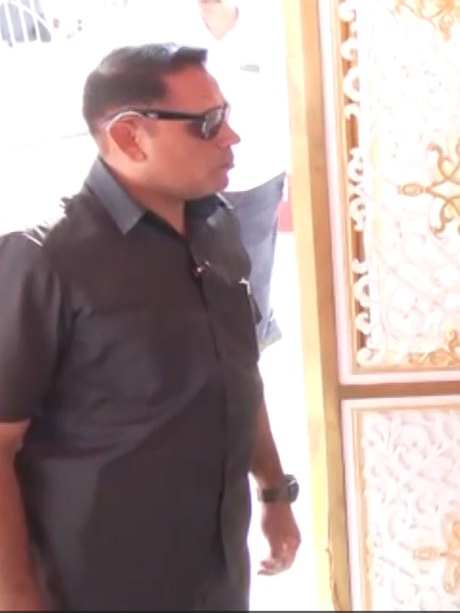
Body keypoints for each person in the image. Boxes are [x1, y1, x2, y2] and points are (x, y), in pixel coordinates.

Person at [0, 43, 300, 610]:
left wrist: (274, 490)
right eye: (207, 123)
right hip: (101, 584)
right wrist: (16, 596)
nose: (231, 136)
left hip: (217, 570)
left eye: (226, 115)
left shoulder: (217, 225)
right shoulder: (46, 259)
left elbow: (239, 373)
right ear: (130, 136)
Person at [181, 0, 292, 350]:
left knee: (253, 267)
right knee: (206, 269)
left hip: (257, 174)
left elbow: (289, 99)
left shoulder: (266, 36)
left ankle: (252, 349)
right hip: (200, 177)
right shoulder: (177, 41)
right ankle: (246, 337)